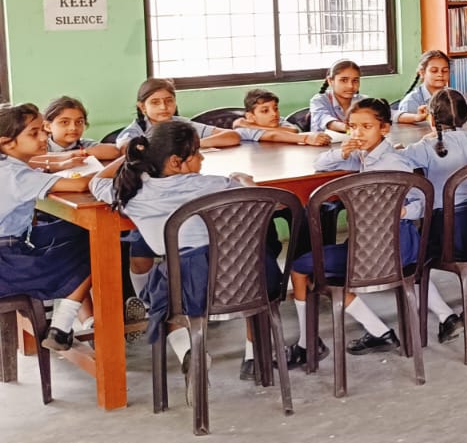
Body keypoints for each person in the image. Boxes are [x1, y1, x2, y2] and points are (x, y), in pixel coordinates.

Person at [92, 122, 271, 377]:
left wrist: (128, 157)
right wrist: (244, 179)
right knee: (247, 253)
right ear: (176, 162)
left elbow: (96, 181)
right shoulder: (216, 184)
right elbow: (259, 201)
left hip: (188, 285)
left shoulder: (132, 192)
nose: (201, 158)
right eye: (197, 153)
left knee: (162, 297)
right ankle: (253, 358)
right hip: (246, 280)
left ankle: (188, 350)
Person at [290, 98, 423, 359]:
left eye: (366, 126)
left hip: (389, 250)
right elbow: (320, 165)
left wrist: (404, 211)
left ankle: (307, 345)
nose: (358, 133)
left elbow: (422, 200)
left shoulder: (394, 163)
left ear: (384, 128)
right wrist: (342, 152)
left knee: (300, 267)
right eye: (352, 127)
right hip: (384, 249)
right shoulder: (363, 158)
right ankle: (379, 331)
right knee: (322, 268)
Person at [1, 102, 94, 352]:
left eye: (42, 129)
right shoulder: (18, 176)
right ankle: (63, 326)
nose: (44, 136)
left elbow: (35, 164)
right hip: (8, 263)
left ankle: (70, 323)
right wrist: (124, 166)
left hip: (11, 248)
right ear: (7, 143)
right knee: (99, 248)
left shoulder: (8, 166)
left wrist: (57, 165)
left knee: (81, 233)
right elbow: (79, 185)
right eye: (34, 133)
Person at [402, 89, 467, 330]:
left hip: (445, 234)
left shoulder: (428, 146)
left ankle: (445, 315)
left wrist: (400, 147)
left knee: (409, 261)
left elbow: (396, 161)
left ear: (431, 120)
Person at [236, 90, 332, 146]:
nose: (274, 114)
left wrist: (252, 125)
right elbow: (273, 136)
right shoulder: (244, 130)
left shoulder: (278, 120)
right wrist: (306, 138)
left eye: (276, 108)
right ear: (250, 117)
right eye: (265, 111)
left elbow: (293, 131)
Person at [40, 96, 121, 162]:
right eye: (64, 122)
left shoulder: (85, 145)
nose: (73, 128)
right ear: (48, 126)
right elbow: (34, 159)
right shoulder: (40, 147)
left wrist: (78, 153)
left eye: (79, 122)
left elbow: (114, 151)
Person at [396, 50, 451, 124]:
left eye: (445, 71)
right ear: (422, 73)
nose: (440, 74)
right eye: (434, 71)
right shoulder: (410, 102)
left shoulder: (455, 96)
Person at [310, 59, 365, 133]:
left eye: (355, 80)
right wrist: (347, 127)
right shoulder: (319, 100)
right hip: (325, 144)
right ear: (330, 81)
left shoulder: (365, 102)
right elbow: (325, 120)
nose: (350, 86)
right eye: (344, 80)